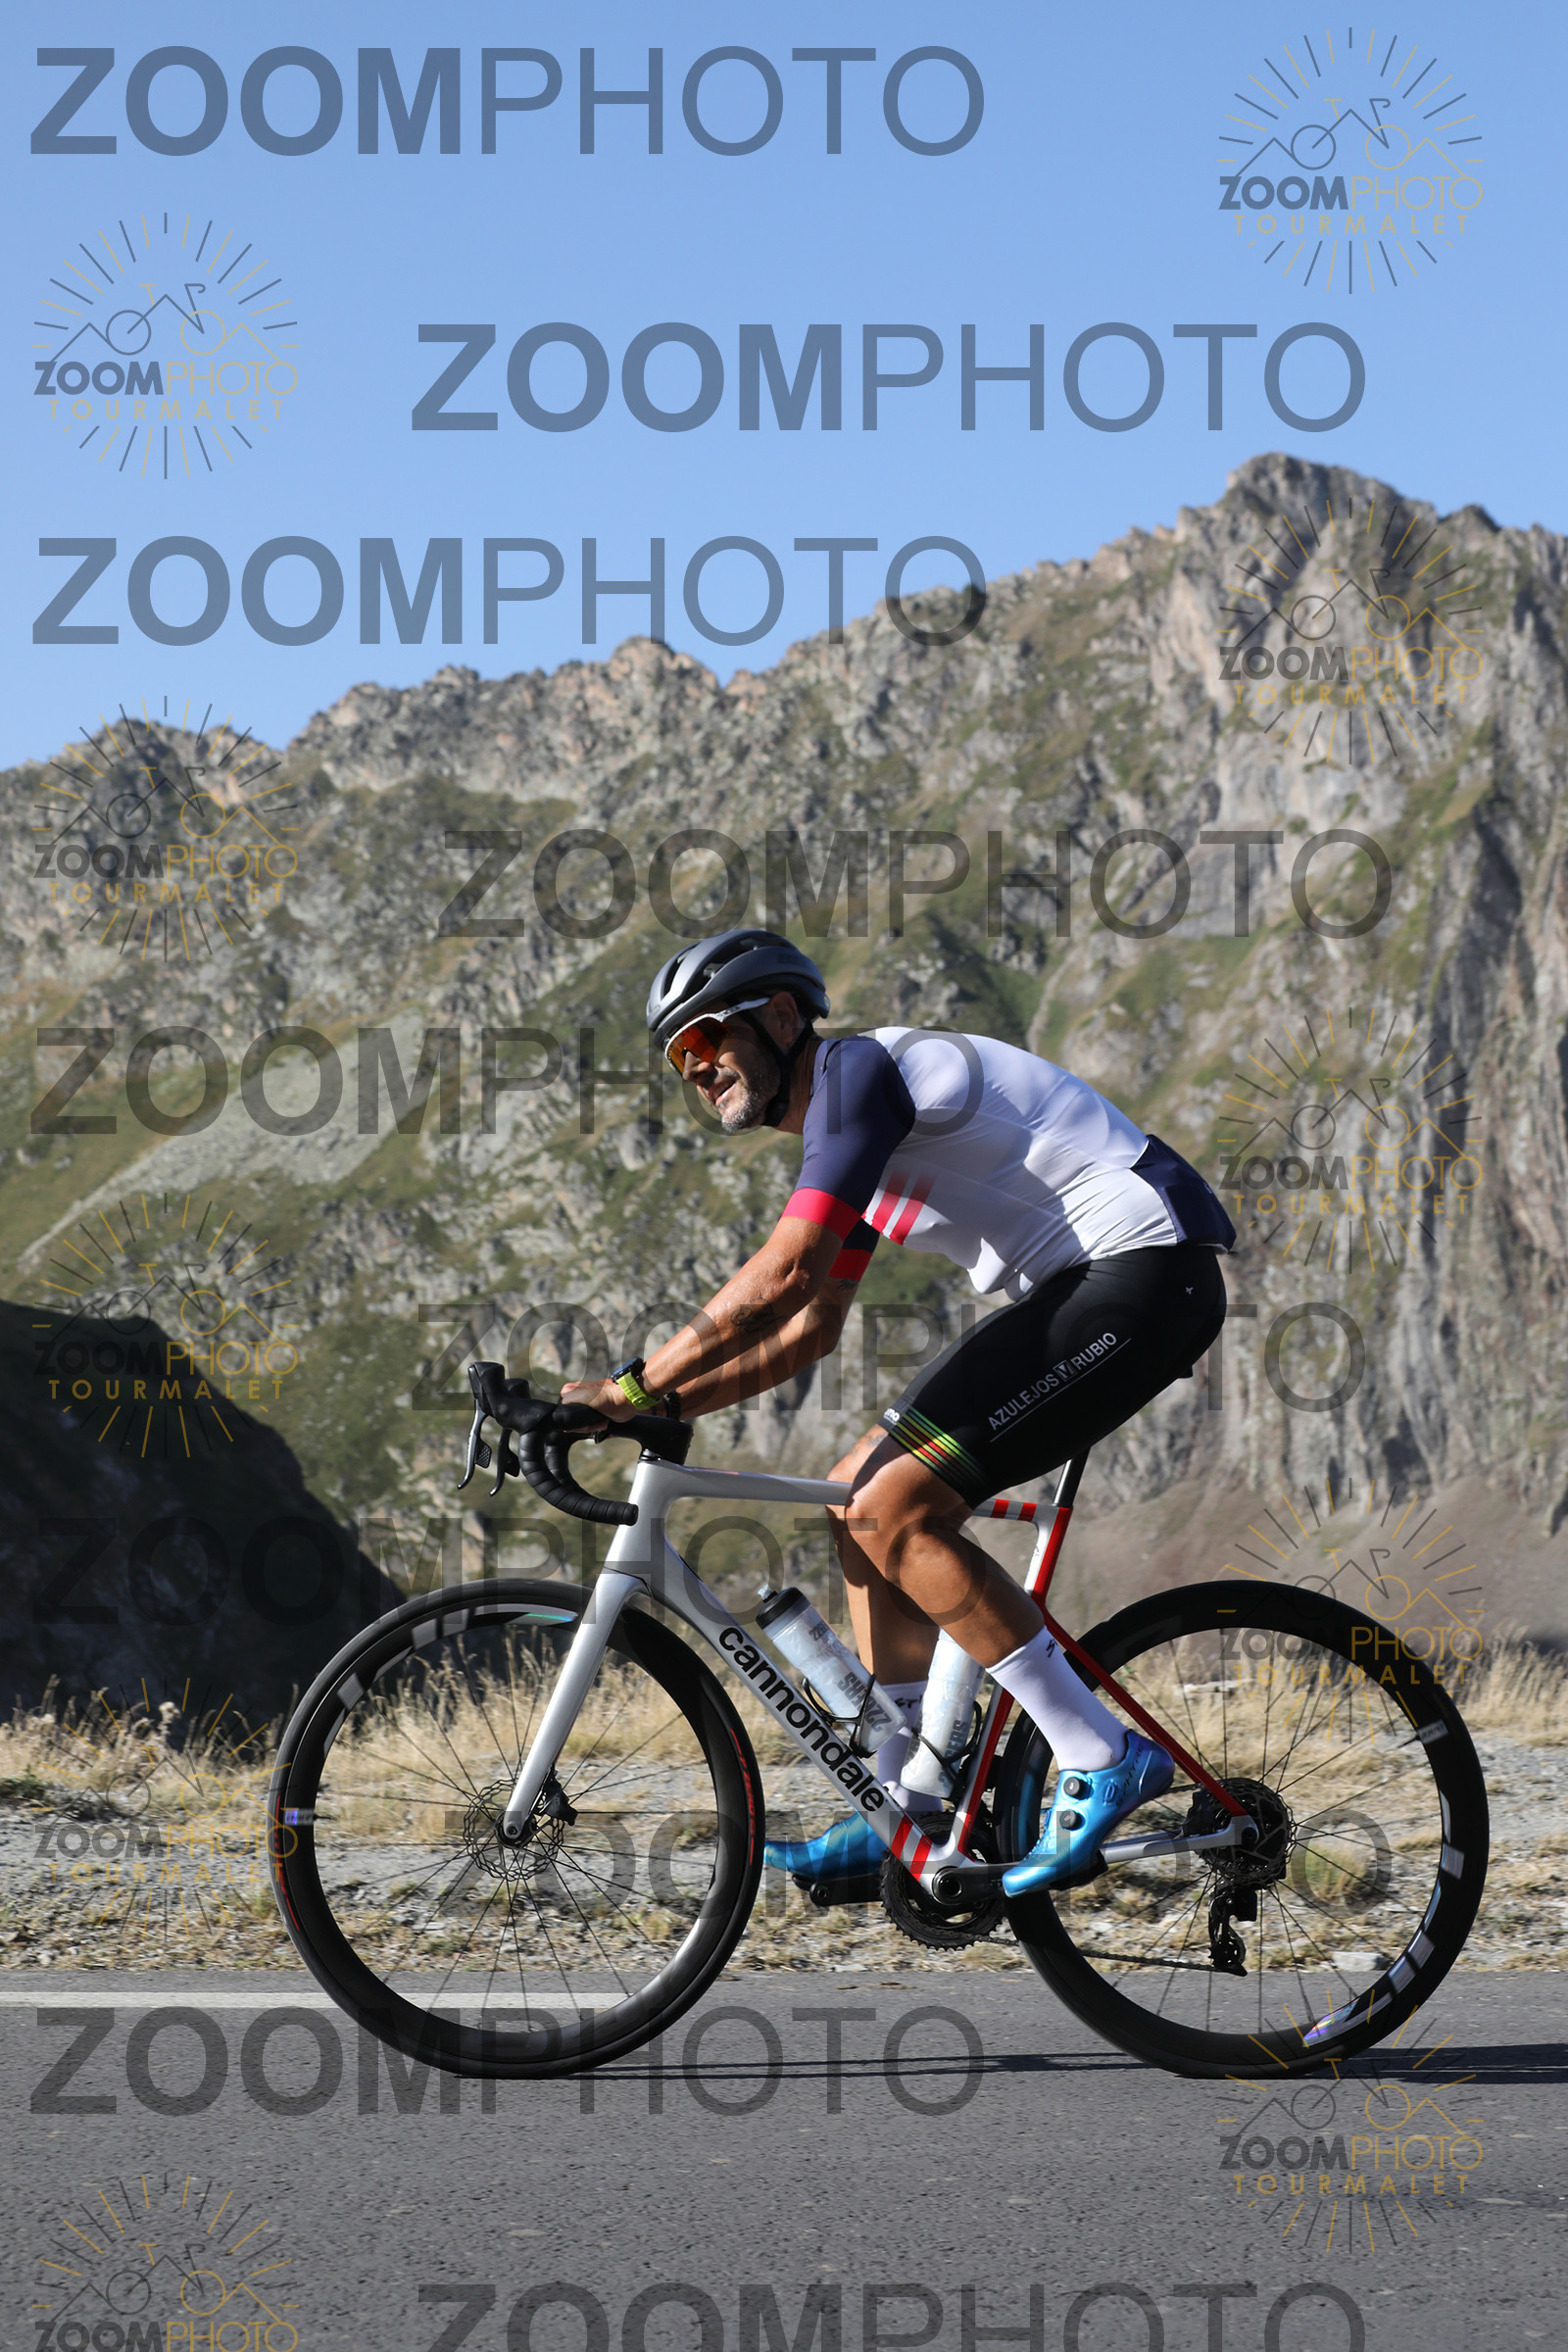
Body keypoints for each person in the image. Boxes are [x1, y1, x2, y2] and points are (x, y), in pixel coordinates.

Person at [561, 928, 1233, 1896]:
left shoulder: (858, 1078)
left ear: (780, 1018)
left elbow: (786, 1274)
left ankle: (1100, 1752)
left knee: (896, 1509)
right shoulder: (853, 1130)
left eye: (706, 1037)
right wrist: (658, 1406)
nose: (697, 1067)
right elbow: (810, 1330)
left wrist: (628, 1389)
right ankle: (909, 1797)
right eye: (679, 1056)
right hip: (1096, 1285)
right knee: (854, 1498)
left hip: (1141, 1272)